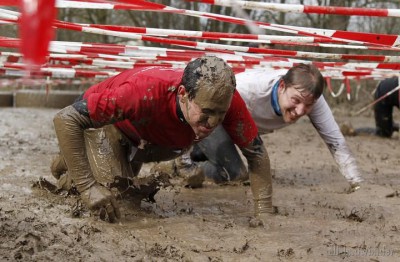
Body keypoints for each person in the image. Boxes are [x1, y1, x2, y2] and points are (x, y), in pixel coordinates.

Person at [50, 56, 272, 225]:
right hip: (109, 126)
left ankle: (76, 160)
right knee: (118, 204)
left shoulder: (229, 101)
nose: (213, 123)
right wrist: (88, 187)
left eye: (220, 115)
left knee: (129, 191)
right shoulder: (144, 91)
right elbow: (65, 119)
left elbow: (257, 153)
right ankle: (69, 162)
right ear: (183, 94)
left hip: (148, 138)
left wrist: (264, 213)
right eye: (206, 112)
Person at [179, 64, 363, 193]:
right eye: (296, 101)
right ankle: (178, 164)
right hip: (215, 121)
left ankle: (191, 156)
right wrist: (185, 163)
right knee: (235, 174)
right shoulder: (249, 89)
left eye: (308, 106)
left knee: (213, 156)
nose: (300, 111)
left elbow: (335, 141)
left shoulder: (313, 101)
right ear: (282, 86)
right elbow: (196, 111)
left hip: (239, 130)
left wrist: (356, 182)